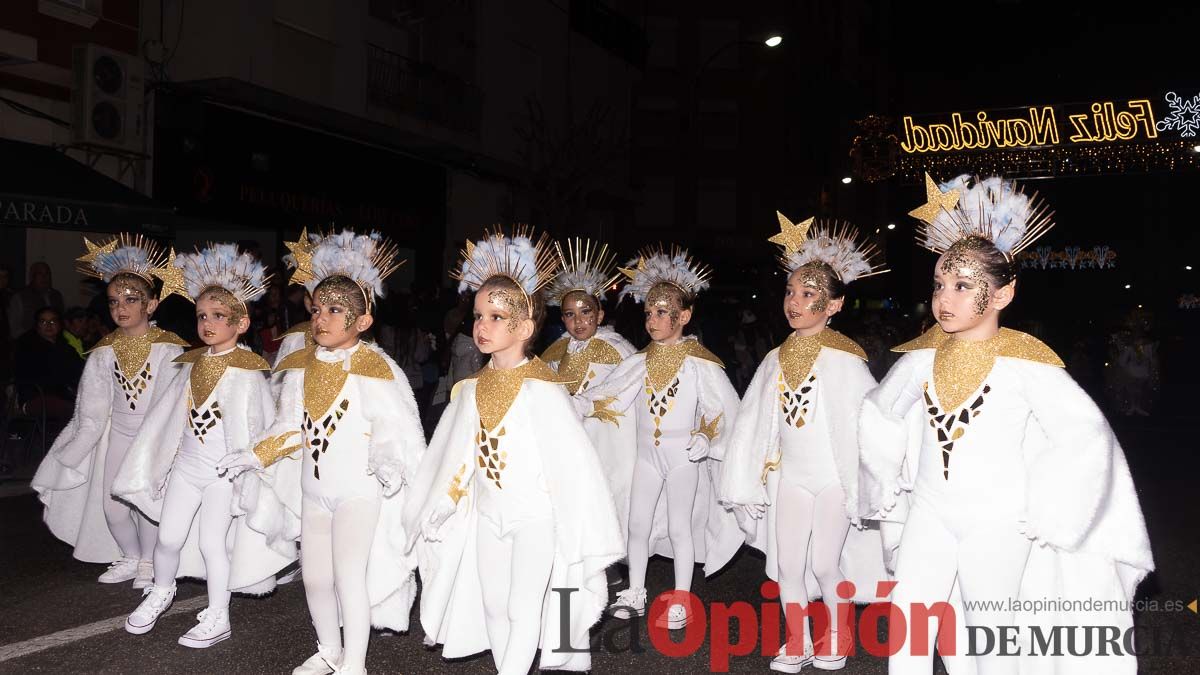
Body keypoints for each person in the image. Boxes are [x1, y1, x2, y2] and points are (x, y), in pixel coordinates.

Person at [859, 174, 1154, 674]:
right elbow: (879, 410)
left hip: (997, 521)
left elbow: (1085, 435)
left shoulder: (1027, 364)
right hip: (930, 513)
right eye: (938, 285)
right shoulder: (920, 359)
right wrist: (884, 477)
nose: (943, 299)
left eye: (962, 286)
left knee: (991, 636)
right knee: (909, 621)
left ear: (1002, 294)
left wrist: (1053, 509)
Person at [405, 228, 622, 674]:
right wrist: (446, 501)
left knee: (525, 609)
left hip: (534, 519)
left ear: (524, 327)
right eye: (478, 315)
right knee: (494, 606)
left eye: (496, 317)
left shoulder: (543, 388)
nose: (481, 326)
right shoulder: (469, 390)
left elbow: (573, 465)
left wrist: (576, 525)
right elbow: (462, 457)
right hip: (488, 515)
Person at [219, 230, 425, 675]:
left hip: (358, 491)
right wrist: (256, 454)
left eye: (336, 311)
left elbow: (396, 427)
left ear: (363, 321)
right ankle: (329, 649)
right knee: (315, 577)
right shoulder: (301, 364)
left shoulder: (375, 366)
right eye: (317, 309)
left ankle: (355, 661)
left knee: (349, 575)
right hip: (315, 491)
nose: (321, 319)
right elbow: (291, 426)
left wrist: (389, 463)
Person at [720, 214, 889, 672]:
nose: (795, 302)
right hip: (792, 477)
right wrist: (746, 478)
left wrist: (870, 483)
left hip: (833, 479)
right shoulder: (775, 358)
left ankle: (838, 635)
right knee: (788, 568)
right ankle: (797, 641)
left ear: (834, 305)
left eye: (808, 294)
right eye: (791, 292)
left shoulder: (846, 360)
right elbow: (754, 422)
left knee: (824, 564)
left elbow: (866, 423)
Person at [114, 243, 295, 647]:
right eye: (201, 316)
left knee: (213, 543)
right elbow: (168, 419)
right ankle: (161, 591)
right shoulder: (191, 362)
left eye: (218, 316)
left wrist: (248, 471)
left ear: (241, 322)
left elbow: (263, 425)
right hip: (188, 468)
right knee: (168, 538)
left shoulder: (249, 370)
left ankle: (218, 614)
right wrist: (159, 463)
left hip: (222, 474)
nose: (208, 323)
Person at [578, 245, 743, 629]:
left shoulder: (700, 362)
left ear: (684, 315)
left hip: (683, 457)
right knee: (637, 523)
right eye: (649, 312)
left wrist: (705, 435)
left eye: (662, 313)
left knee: (680, 526)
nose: (653, 320)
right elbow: (610, 392)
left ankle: (681, 598)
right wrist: (574, 405)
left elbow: (720, 407)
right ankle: (636, 590)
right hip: (647, 457)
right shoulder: (640, 361)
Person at [31, 235, 188, 587]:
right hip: (118, 433)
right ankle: (131, 555)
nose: (122, 307)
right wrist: (77, 446)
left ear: (152, 304)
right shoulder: (104, 350)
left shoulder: (170, 348)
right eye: (115, 300)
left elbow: (171, 403)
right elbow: (92, 406)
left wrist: (159, 445)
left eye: (132, 300)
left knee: (146, 501)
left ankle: (148, 561)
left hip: (153, 438)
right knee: (113, 506)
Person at [13, 306, 83, 436]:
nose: (48, 325)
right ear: (37, 325)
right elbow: (30, 377)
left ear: (59, 325)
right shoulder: (27, 347)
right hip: (36, 396)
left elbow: (81, 370)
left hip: (65, 394)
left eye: (53, 321)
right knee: (73, 409)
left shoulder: (66, 348)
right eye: (43, 321)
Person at [9, 261, 64, 339]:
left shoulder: (56, 296)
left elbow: (62, 321)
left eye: (47, 274)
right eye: (40, 274)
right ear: (32, 277)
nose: (44, 277)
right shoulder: (20, 297)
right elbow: (14, 328)